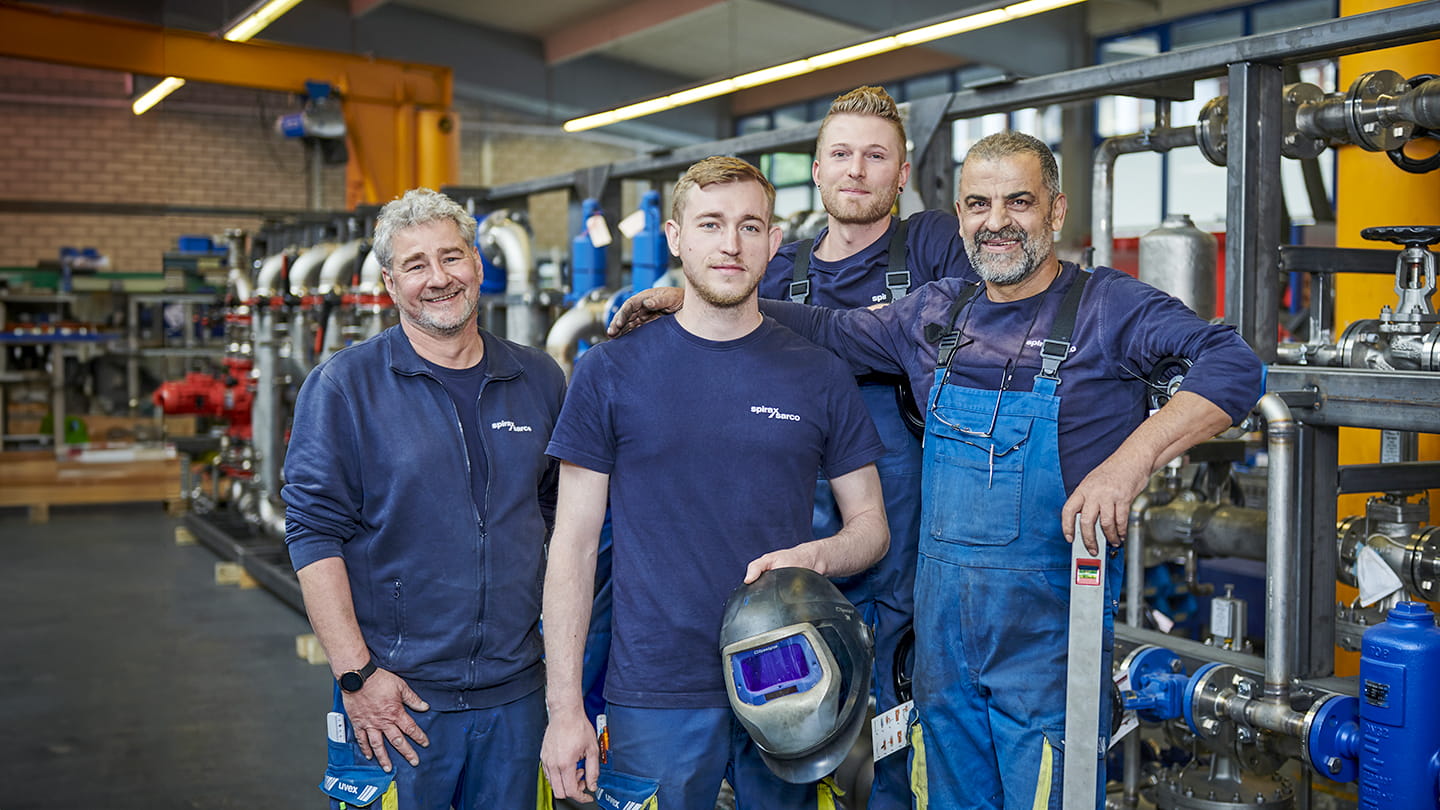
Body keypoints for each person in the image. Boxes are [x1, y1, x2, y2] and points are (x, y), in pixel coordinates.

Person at [608, 132, 1265, 809]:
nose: (997, 221)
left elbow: (1236, 363)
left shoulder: (1109, 308)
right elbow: (829, 332)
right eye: (978, 204)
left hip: (1047, 650)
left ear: (1057, 211)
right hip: (940, 648)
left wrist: (1127, 465)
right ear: (959, 217)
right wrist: (693, 301)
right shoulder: (936, 312)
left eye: (1019, 202)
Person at [539, 156, 891, 810]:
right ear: (675, 237)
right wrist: (564, 710)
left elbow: (870, 526)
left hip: (792, 677)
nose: (731, 244)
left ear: (773, 240)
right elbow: (574, 546)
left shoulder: (817, 374)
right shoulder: (610, 373)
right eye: (710, 224)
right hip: (655, 689)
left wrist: (817, 557)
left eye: (749, 225)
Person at [282, 188, 566, 808]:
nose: (438, 279)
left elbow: (555, 513)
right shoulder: (344, 386)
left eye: (452, 257)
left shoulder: (539, 378)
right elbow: (311, 532)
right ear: (390, 282)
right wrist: (355, 675)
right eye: (415, 265)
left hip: (517, 695)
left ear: (479, 264)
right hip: (397, 701)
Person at [758, 85, 978, 810]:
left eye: (876, 155)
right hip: (790, 538)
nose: (857, 170)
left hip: (905, 543)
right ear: (816, 170)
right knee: (784, 726)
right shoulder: (776, 265)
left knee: (892, 731)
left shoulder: (934, 243)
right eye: (841, 155)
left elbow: (958, 337)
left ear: (903, 172)